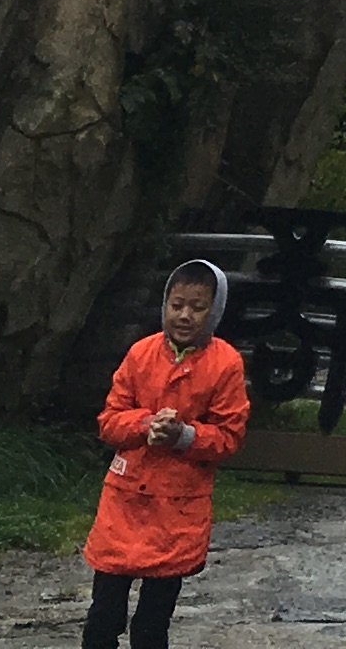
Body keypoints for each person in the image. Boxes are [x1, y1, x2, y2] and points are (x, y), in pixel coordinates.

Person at [84, 259, 247, 649]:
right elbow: (109, 420)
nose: (185, 316)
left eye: (197, 307)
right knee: (103, 616)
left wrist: (184, 436)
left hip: (178, 508)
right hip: (124, 502)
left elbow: (228, 436)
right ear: (165, 305)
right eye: (177, 305)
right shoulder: (140, 354)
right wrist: (145, 426)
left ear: (215, 310)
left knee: (152, 626)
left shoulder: (226, 364)